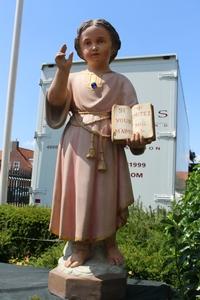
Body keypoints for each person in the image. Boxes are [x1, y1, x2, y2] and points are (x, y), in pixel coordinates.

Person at [46, 19, 147, 268]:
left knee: (107, 195)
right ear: (80, 49)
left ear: (113, 47)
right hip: (78, 143)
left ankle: (109, 242)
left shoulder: (122, 82)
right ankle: (80, 246)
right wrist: (61, 71)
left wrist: (137, 138)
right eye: (87, 42)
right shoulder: (73, 78)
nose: (94, 47)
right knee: (80, 193)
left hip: (109, 145)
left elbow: (136, 120)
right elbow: (57, 104)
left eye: (100, 41)